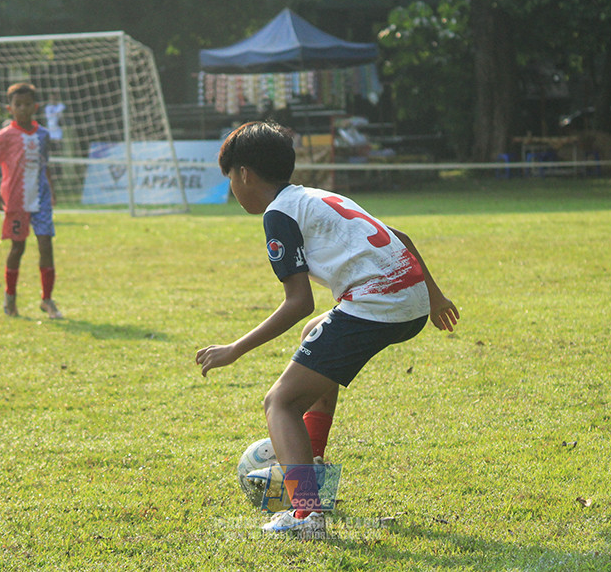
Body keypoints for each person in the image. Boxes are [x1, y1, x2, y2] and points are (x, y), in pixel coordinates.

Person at [195, 121, 459, 538]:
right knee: (314, 334)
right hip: (411, 299)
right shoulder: (317, 196)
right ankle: (312, 461)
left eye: (230, 179)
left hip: (377, 302)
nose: (232, 190)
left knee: (280, 403)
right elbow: (401, 237)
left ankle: (307, 514)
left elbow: (299, 301)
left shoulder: (279, 214)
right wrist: (436, 298)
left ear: (244, 174)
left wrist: (234, 349)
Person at [0, 82, 63, 320]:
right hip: (16, 200)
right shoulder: (4, 135)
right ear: (9, 108)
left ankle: (47, 299)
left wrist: (52, 190)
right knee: (17, 247)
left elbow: (44, 164)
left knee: (46, 245)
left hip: (40, 198)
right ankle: (10, 298)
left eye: (27, 104)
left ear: (35, 107)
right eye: (17, 105)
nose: (22, 109)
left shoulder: (43, 135)